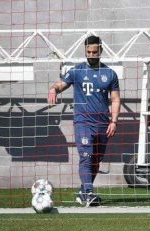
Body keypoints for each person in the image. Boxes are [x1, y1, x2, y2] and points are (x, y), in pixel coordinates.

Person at [47, 35, 121, 207]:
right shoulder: (77, 71)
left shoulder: (110, 74)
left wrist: (114, 121)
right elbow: (60, 84)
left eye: (95, 52)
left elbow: (116, 99)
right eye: (88, 51)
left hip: (103, 123)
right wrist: (53, 89)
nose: (91, 55)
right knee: (86, 156)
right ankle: (88, 193)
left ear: (101, 51)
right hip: (83, 122)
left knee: (96, 158)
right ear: (85, 51)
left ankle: (83, 191)